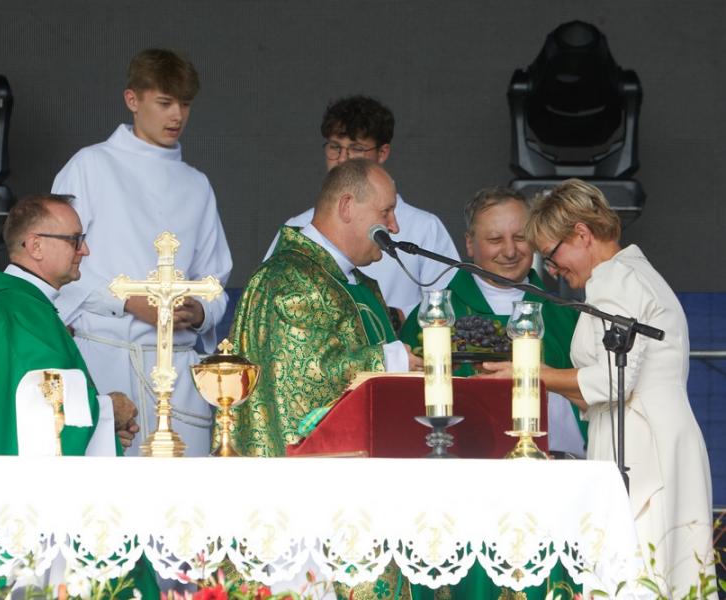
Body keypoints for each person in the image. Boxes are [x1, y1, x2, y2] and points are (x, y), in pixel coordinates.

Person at [0, 194, 157, 599]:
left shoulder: (21, 304)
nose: (85, 250)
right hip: (23, 504)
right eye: (75, 239)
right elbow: (44, 408)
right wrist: (106, 411)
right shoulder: (17, 309)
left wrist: (102, 423)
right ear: (35, 245)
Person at [484, 179, 714, 597]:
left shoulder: (615, 279)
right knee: (665, 575)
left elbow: (613, 378)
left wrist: (531, 373)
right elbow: (601, 386)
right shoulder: (631, 273)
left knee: (639, 573)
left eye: (552, 255)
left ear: (582, 234)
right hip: (653, 435)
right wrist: (539, 378)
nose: (552, 271)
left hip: (643, 447)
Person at [51, 48, 232, 457]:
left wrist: (198, 311)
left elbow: (215, 281)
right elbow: (57, 266)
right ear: (132, 100)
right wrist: (129, 302)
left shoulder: (196, 184)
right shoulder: (90, 166)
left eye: (185, 104)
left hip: (179, 371)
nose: (177, 116)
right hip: (109, 360)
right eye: (164, 103)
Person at [230, 159, 421, 458]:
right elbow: (304, 378)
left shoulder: (354, 282)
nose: (394, 227)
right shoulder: (288, 277)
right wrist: (389, 360)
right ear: (346, 207)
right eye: (385, 212)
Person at [399, 186, 586, 457]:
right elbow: (405, 401)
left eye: (520, 237)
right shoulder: (433, 317)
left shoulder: (566, 316)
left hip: (554, 462)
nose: (510, 251)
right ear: (470, 243)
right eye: (495, 239)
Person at [263, 95, 459, 320]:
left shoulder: (425, 227)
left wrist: (396, 317)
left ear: (382, 152)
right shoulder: (297, 228)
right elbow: (270, 302)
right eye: (335, 147)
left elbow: (448, 306)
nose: (343, 159)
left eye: (356, 148)